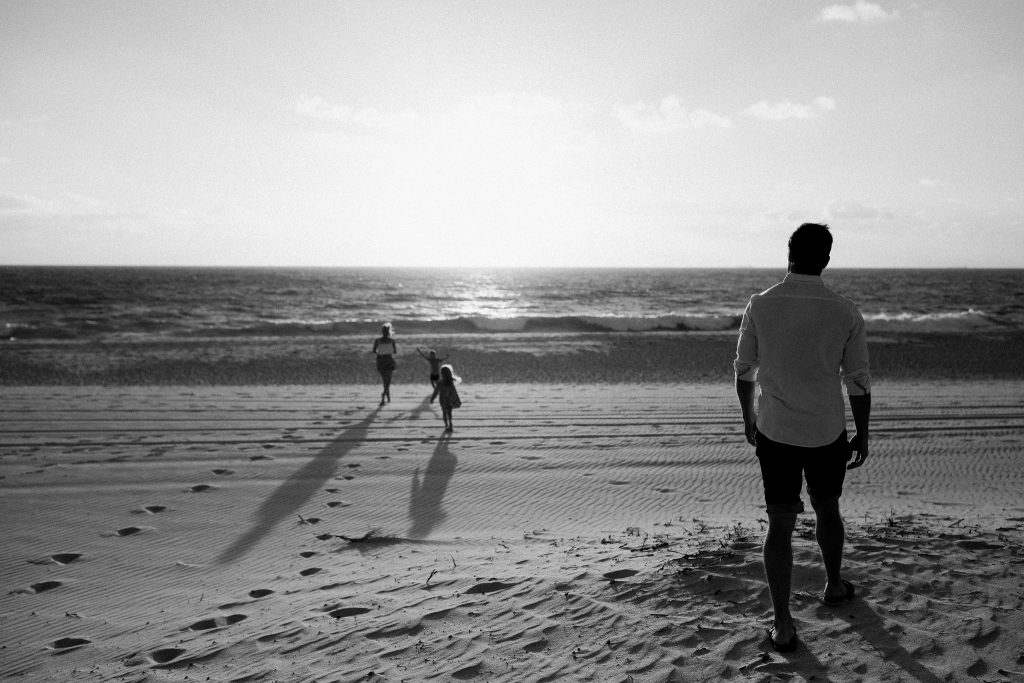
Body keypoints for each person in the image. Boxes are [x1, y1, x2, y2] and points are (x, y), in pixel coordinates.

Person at [733, 223, 871, 653]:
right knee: (828, 508)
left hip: (775, 428)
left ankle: (784, 624)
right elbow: (858, 382)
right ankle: (832, 585)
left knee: (780, 521)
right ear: (826, 260)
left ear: (788, 252)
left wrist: (748, 418)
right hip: (827, 430)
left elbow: (743, 371)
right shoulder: (845, 310)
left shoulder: (761, 304)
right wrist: (863, 432)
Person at [430, 364, 462, 432]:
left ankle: (447, 426)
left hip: (443, 400)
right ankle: (450, 425)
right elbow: (454, 392)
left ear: (442, 374)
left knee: (444, 413)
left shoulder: (441, 382)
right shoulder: (450, 382)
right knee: (449, 413)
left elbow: (436, 391)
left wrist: (432, 398)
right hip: (448, 400)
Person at [372, 323, 397, 406]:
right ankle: (386, 397)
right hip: (386, 360)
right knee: (387, 381)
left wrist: (381, 351)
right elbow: (394, 352)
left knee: (386, 381)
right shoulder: (391, 341)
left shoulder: (378, 340)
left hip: (382, 360)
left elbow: (374, 351)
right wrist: (386, 350)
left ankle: (384, 396)